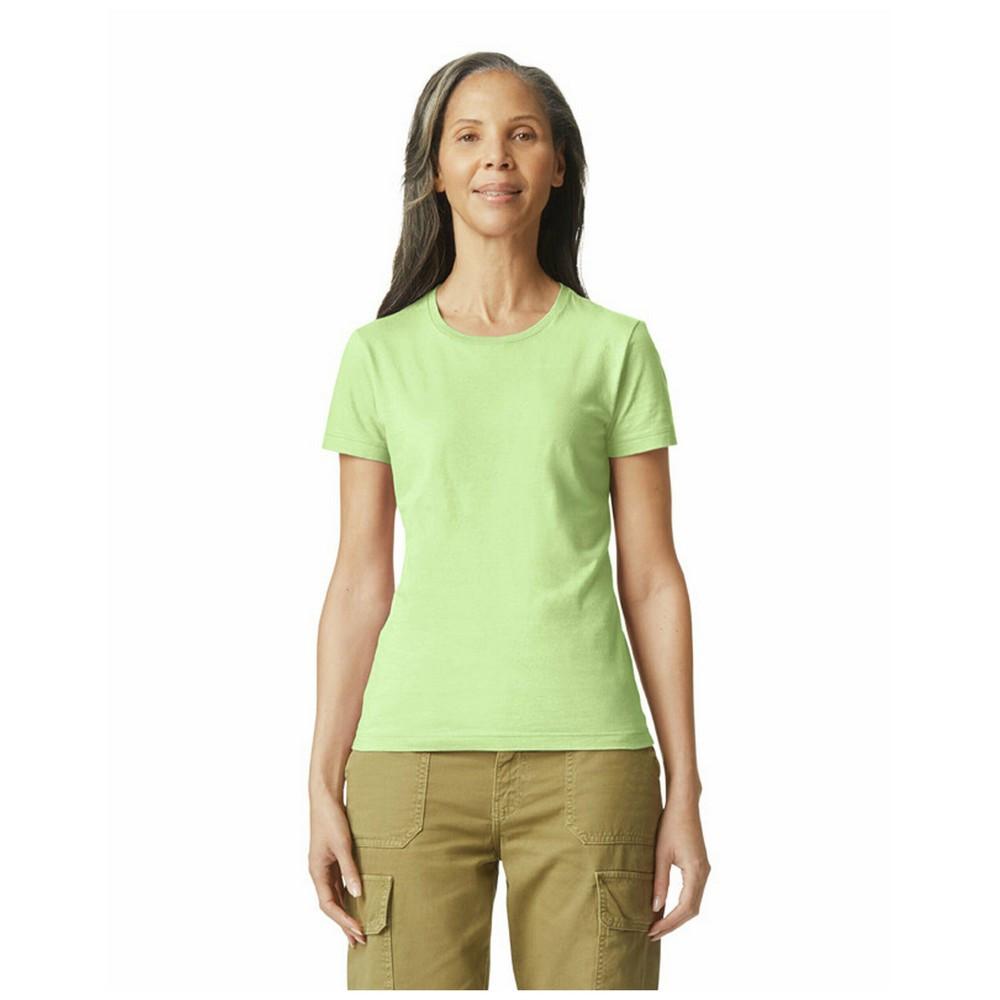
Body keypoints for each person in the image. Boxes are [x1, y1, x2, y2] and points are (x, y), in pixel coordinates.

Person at [307, 51, 710, 990]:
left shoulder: (616, 348)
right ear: (436, 171)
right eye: (469, 137)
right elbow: (359, 579)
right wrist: (322, 780)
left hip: (591, 765)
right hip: (405, 765)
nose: (497, 157)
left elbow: (653, 578)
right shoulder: (377, 356)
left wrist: (685, 784)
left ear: (558, 165)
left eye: (522, 135)